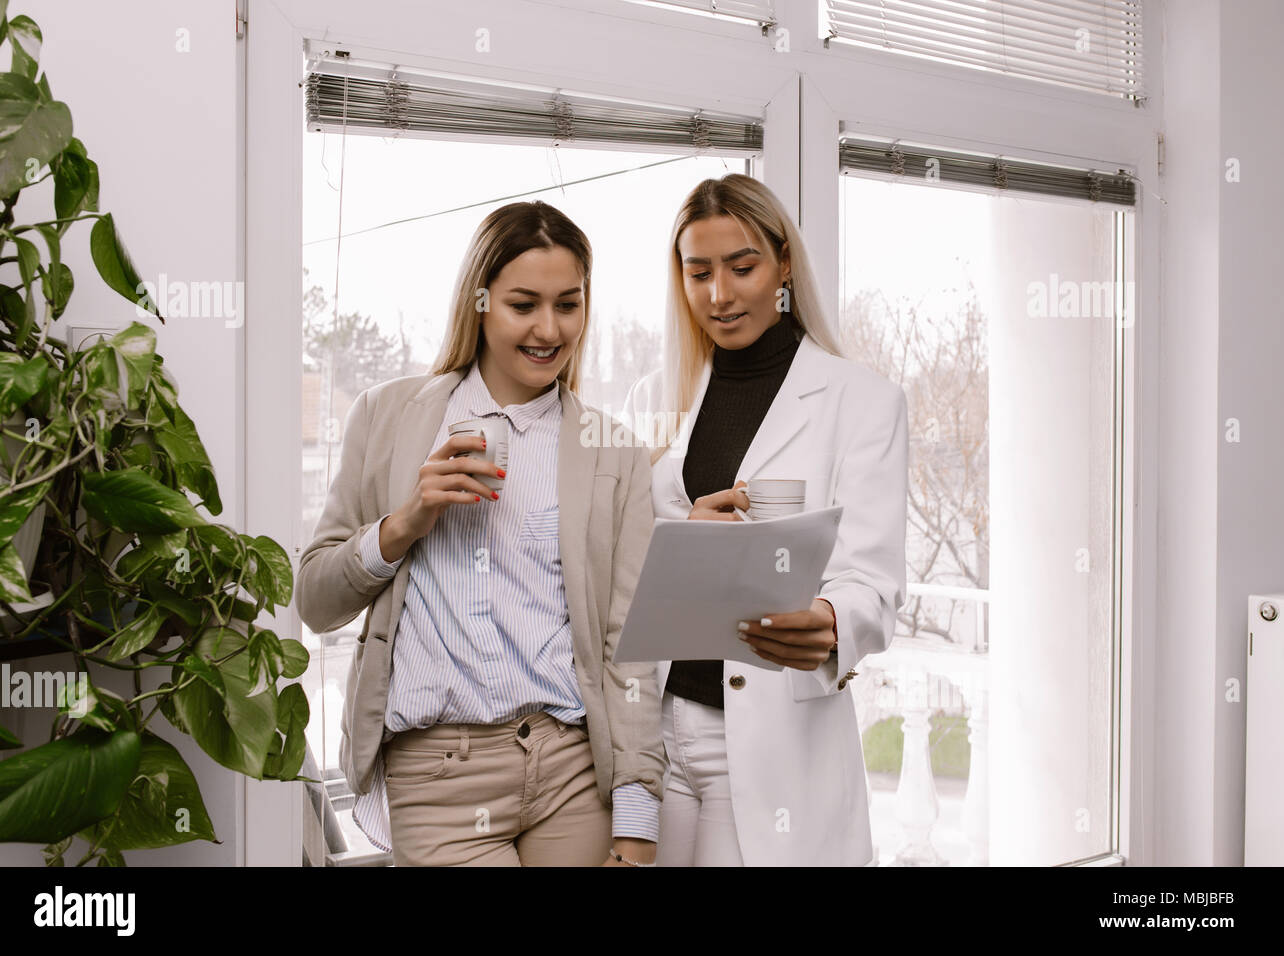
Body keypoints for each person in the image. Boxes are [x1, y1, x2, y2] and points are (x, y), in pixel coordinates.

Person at [296, 201, 665, 866]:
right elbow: (316, 600)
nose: (549, 329)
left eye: (569, 304)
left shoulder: (614, 453)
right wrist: (404, 524)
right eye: (524, 304)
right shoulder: (388, 417)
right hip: (438, 778)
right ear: (481, 300)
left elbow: (628, 649)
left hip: (570, 771)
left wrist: (637, 826)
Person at [622, 173, 908, 866]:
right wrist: (683, 532)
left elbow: (872, 581)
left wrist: (833, 622)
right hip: (656, 732)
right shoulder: (657, 396)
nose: (720, 295)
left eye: (742, 267)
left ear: (783, 263)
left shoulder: (862, 402)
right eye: (699, 273)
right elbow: (626, 557)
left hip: (766, 736)